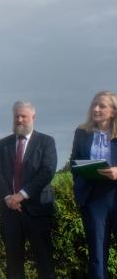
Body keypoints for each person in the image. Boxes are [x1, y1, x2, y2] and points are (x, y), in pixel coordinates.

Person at [0, 101, 56, 279]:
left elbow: (47, 171)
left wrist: (21, 195)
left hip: (38, 211)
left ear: (33, 117)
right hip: (10, 211)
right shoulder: (3, 143)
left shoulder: (46, 142)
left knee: (44, 262)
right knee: (13, 263)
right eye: (16, 116)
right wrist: (8, 197)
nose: (19, 120)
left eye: (23, 116)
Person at [70, 91, 117, 279]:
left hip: (115, 194)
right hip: (93, 198)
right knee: (97, 255)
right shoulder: (82, 133)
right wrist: (84, 170)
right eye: (94, 105)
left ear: (113, 111)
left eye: (102, 106)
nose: (96, 109)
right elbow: (73, 163)